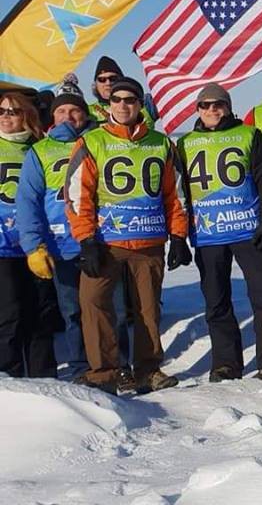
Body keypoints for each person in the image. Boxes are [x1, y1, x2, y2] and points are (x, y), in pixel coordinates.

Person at [65, 77, 190, 395]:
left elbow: (174, 195)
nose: (123, 104)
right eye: (117, 99)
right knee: (94, 303)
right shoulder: (92, 142)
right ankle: (104, 372)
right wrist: (86, 239)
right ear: (109, 105)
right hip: (106, 242)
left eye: (130, 99)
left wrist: (178, 236)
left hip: (148, 242)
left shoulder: (161, 143)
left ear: (139, 105)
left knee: (148, 309)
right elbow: (78, 195)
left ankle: (148, 369)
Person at [17, 82, 132, 380]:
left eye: (75, 110)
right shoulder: (39, 152)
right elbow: (27, 201)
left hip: (104, 240)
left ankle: (120, 365)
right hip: (62, 244)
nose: (68, 116)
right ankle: (82, 367)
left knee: (114, 310)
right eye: (62, 110)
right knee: (73, 312)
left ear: (85, 114)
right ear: (53, 117)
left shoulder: (101, 141)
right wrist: (33, 246)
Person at [177, 84, 262, 381]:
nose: (212, 110)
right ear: (197, 110)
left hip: (248, 230)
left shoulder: (249, 134)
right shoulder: (185, 143)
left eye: (218, 104)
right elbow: (178, 191)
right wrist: (180, 235)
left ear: (228, 106)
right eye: (205, 105)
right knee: (216, 300)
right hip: (209, 234)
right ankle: (225, 363)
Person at [0, 91, 58, 378]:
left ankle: (44, 377)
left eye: (12, 111)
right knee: (9, 315)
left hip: (37, 245)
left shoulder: (40, 148)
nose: (5, 116)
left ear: (27, 114)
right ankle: (9, 379)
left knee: (41, 315)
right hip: (3, 246)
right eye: (1, 111)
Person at [87, 56, 159, 128]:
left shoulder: (145, 102)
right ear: (95, 84)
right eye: (102, 79)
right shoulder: (86, 111)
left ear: (122, 80)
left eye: (113, 78)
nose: (108, 83)